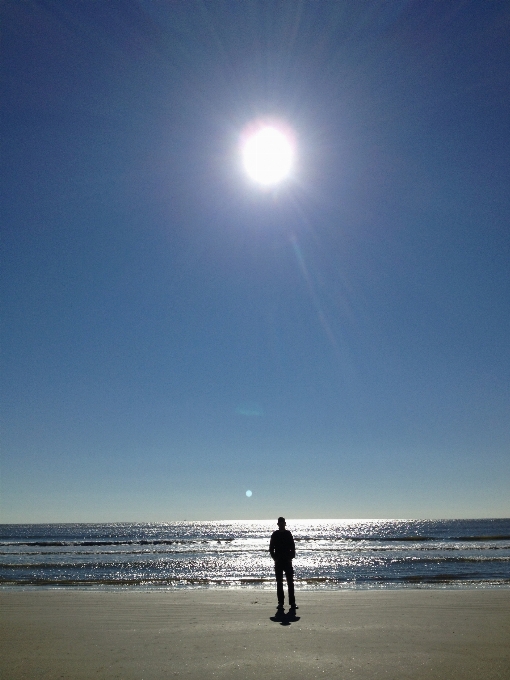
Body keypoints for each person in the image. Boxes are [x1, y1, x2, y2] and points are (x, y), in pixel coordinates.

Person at [269, 516, 297, 610]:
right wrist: (275, 558)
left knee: (290, 582)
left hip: (287, 561)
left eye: (283, 523)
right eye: (280, 523)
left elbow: (292, 547)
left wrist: (291, 557)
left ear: (285, 524)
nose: (281, 525)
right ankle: (280, 602)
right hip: (278, 562)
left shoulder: (288, 534)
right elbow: (271, 548)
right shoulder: (275, 534)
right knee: (279, 583)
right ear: (278, 524)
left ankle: (292, 603)